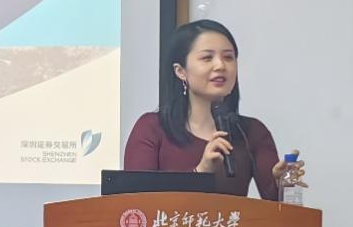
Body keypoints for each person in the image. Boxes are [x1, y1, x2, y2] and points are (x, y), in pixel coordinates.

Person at [123, 19, 305, 200]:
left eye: (228, 57)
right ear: (181, 71)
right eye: (207, 58)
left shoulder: (251, 132)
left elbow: (277, 210)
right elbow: (135, 205)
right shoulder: (152, 128)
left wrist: (282, 185)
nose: (220, 66)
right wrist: (200, 172)